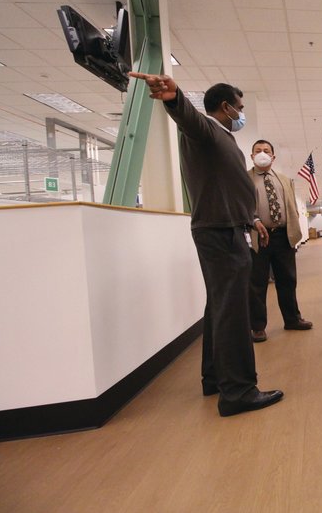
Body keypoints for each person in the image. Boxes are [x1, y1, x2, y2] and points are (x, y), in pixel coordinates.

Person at [127, 71, 283, 417]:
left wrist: (251, 218)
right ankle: (239, 391)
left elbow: (226, 186)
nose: (242, 113)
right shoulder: (208, 130)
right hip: (220, 232)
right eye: (240, 108)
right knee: (233, 312)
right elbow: (189, 119)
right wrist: (174, 96)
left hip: (228, 226)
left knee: (220, 307)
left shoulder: (223, 138)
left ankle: (214, 377)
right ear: (226, 107)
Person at [248, 140, 313, 342]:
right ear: (251, 156)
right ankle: (258, 327)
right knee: (257, 283)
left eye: (266, 151)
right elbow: (241, 206)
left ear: (273, 157)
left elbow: (291, 207)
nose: (262, 154)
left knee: (287, 280)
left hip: (282, 236)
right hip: (258, 237)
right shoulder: (245, 179)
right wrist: (254, 220)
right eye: (257, 151)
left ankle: (292, 319)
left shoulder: (284, 180)